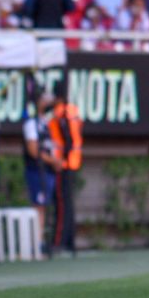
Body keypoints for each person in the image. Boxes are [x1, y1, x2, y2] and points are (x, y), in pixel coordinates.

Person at [23, 91, 61, 253]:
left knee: (43, 207)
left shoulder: (48, 123)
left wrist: (56, 160)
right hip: (36, 171)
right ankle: (34, 244)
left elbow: (52, 146)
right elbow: (33, 150)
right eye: (45, 100)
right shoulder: (31, 123)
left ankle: (40, 242)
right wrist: (52, 160)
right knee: (37, 207)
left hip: (48, 172)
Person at [48, 82, 83, 256]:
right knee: (68, 203)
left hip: (65, 164)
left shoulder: (62, 113)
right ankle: (70, 241)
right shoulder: (73, 110)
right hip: (73, 162)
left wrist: (62, 159)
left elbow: (67, 139)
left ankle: (59, 242)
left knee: (62, 204)